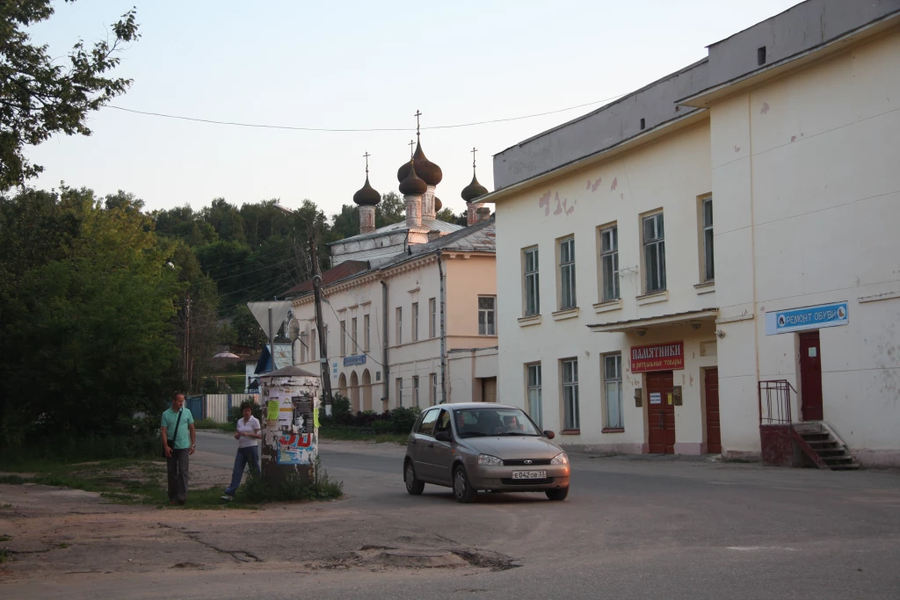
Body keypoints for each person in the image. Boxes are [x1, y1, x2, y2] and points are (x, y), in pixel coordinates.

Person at [221, 401, 261, 501]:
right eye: (245, 411)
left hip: (251, 447)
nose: (247, 413)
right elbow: (238, 432)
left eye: (249, 411)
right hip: (241, 448)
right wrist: (237, 435)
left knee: (254, 470)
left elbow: (259, 435)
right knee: (237, 470)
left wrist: (247, 434)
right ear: (242, 412)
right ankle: (230, 492)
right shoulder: (240, 421)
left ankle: (259, 489)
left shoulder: (254, 421)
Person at [161, 392, 196, 505]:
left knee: (183, 471)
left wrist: (193, 444)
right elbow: (164, 431)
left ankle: (182, 496)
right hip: (171, 447)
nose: (181, 403)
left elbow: (192, 429)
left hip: (184, 446)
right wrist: (166, 446)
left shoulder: (187, 412)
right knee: (172, 472)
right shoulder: (166, 414)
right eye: (179, 401)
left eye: (182, 401)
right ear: (174, 401)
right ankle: (173, 496)